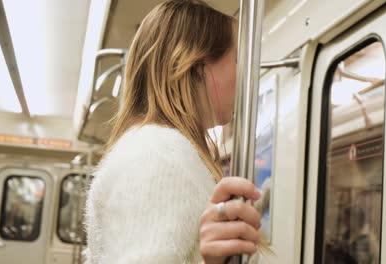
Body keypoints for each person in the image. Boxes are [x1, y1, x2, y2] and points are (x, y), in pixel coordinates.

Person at [85, 1, 265, 263]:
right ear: (198, 67)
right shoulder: (158, 158)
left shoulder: (157, 150)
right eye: (237, 60)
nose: (245, 76)